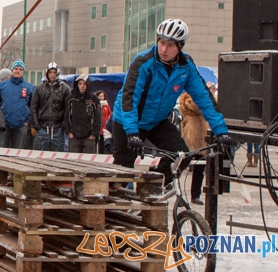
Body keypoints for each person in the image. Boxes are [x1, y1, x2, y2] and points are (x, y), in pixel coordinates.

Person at [112, 19, 234, 185]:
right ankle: (110, 204)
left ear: (180, 47)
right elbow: (129, 98)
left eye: (170, 45)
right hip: (127, 120)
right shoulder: (143, 62)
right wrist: (132, 132)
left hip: (156, 121)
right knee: (123, 168)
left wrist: (221, 131)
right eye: (161, 42)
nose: (164, 49)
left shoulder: (186, 67)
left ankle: (151, 187)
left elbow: (204, 99)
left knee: (181, 155)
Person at [29, 62, 69, 152]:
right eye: (50, 72)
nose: (52, 75)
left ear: (57, 73)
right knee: (40, 155)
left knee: (58, 156)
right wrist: (36, 125)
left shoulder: (64, 88)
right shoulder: (39, 88)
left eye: (54, 72)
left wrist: (63, 126)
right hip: (42, 127)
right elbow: (34, 107)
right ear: (47, 73)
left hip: (58, 128)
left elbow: (68, 109)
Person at [0, 60, 34, 149]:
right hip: (4, 125)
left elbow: (33, 106)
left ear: (23, 72)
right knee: (1, 152)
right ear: (12, 70)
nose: (18, 71)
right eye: (16, 68)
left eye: (20, 69)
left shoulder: (29, 87)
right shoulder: (2, 86)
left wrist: (28, 122)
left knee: (17, 153)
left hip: (21, 125)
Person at [178, 92, 207, 206]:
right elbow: (192, 107)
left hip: (202, 140)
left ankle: (196, 195)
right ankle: (175, 192)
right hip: (190, 139)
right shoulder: (187, 99)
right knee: (179, 168)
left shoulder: (204, 100)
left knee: (199, 171)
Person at [63, 74, 101, 154]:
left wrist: (93, 135)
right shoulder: (71, 99)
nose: (82, 86)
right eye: (80, 84)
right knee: (74, 161)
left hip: (89, 137)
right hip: (74, 137)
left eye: (84, 84)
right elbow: (66, 116)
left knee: (88, 162)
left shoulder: (94, 99)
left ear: (88, 85)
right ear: (77, 85)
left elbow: (98, 118)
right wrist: (69, 132)